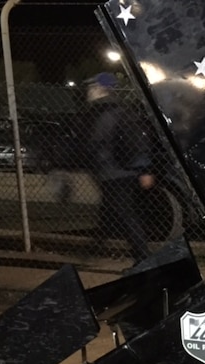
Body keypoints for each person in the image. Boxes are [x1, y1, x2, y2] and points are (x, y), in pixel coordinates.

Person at [86, 72, 155, 263]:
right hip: (121, 171)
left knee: (126, 216)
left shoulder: (105, 113)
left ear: (101, 89)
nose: (89, 91)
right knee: (109, 212)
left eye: (92, 87)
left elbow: (97, 143)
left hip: (114, 173)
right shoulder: (119, 111)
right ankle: (94, 247)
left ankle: (143, 258)